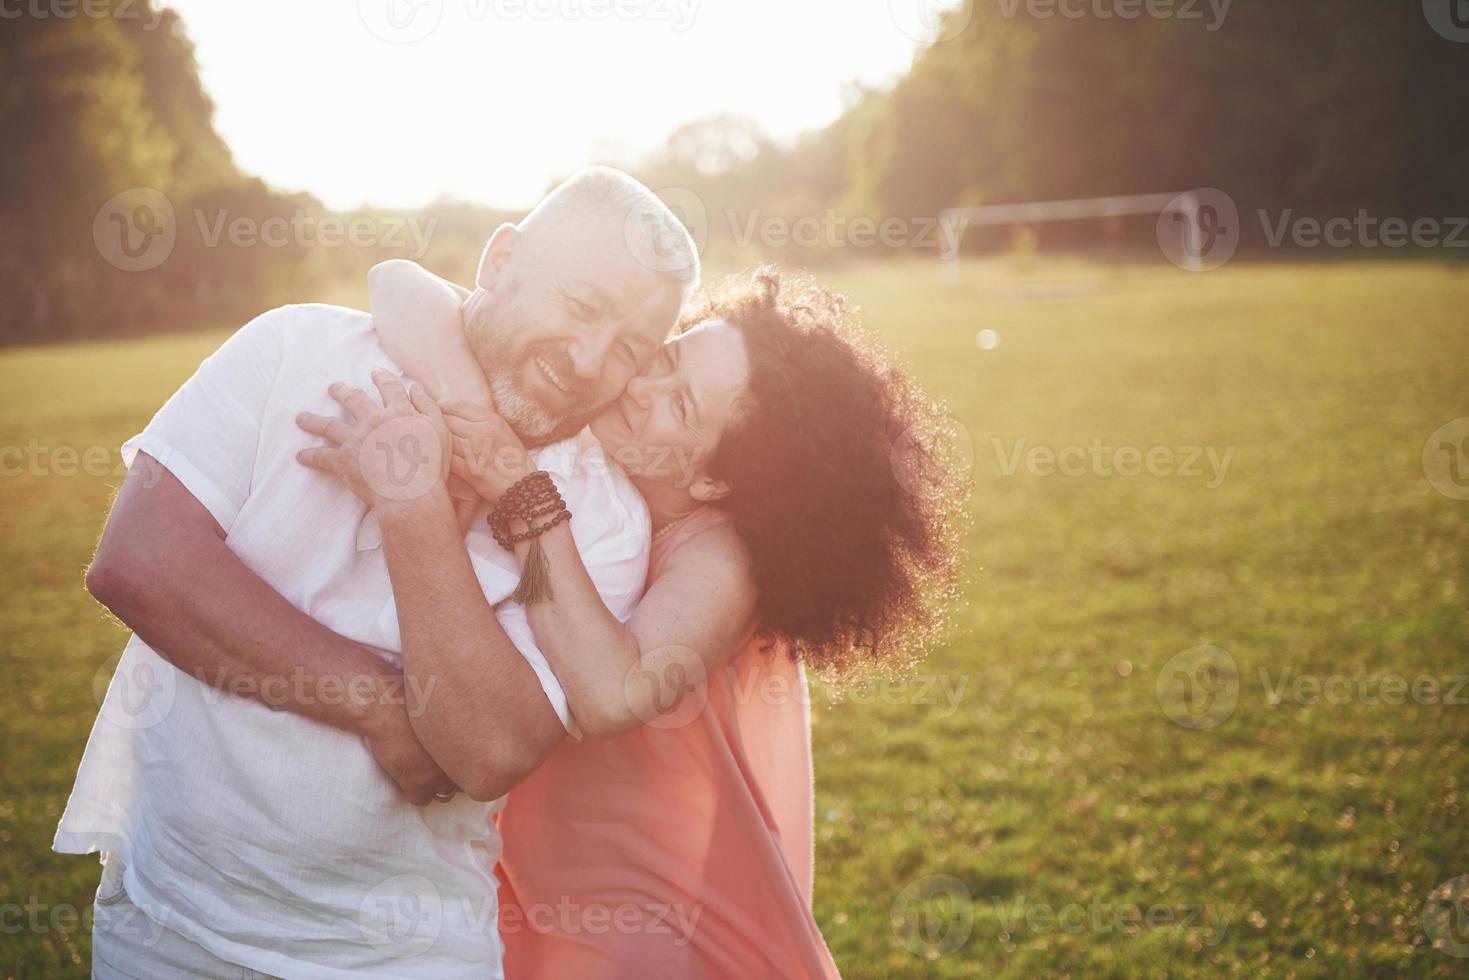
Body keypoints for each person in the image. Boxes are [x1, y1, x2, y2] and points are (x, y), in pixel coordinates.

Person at [57, 167, 698, 979]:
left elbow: (488, 751)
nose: (585, 359)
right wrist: (378, 705)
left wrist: (412, 508)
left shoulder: (598, 518)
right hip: (169, 927)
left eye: (629, 352)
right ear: (500, 261)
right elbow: (138, 564)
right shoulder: (293, 346)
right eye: (581, 307)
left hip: (404, 956)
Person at [296, 262, 965, 976]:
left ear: (711, 479)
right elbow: (402, 285)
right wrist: (476, 416)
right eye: (665, 358)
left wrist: (516, 489)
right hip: (525, 864)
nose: (638, 388)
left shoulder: (720, 556)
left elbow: (611, 690)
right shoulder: (597, 424)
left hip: (645, 910)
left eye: (677, 407)